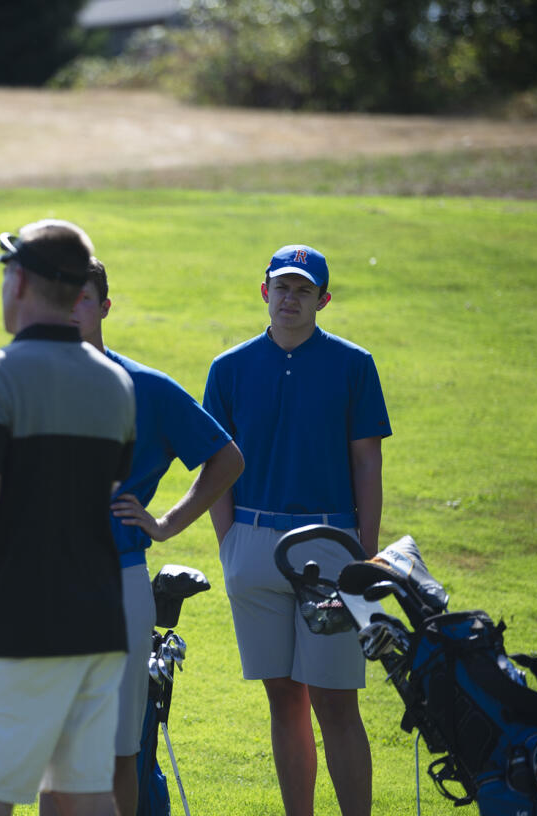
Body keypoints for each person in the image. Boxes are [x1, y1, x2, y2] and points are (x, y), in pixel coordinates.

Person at [0, 220, 136, 816]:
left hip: (16, 622)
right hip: (97, 620)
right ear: (77, 293)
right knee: (84, 797)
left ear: (18, 281)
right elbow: (103, 483)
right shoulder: (117, 383)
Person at [47, 258, 243, 816]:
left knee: (118, 753)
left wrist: (166, 524)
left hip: (118, 581)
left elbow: (226, 459)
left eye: (82, 298)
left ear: (105, 307)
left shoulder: (148, 388)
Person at [202, 245, 390, 816]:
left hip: (332, 545)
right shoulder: (228, 368)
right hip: (253, 542)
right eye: (282, 287)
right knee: (283, 700)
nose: (291, 298)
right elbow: (217, 466)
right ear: (264, 292)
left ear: (322, 300)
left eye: (304, 290)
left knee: (336, 702)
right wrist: (230, 544)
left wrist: (367, 554)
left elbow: (366, 463)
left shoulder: (354, 364)